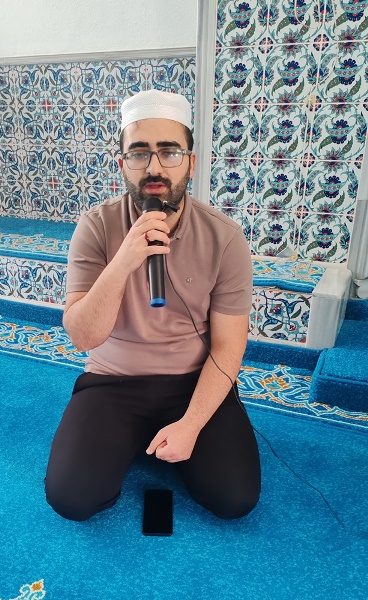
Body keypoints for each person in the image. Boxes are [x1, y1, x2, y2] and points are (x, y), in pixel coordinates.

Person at [44, 89, 261, 521]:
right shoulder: (95, 227)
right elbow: (83, 337)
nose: (155, 168)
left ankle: (166, 437)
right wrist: (124, 260)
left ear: (191, 163)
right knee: (71, 498)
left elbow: (228, 346)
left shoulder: (225, 237)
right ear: (122, 164)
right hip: (113, 382)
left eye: (170, 152)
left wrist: (192, 425)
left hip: (193, 382)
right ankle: (132, 437)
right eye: (139, 153)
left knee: (235, 499)